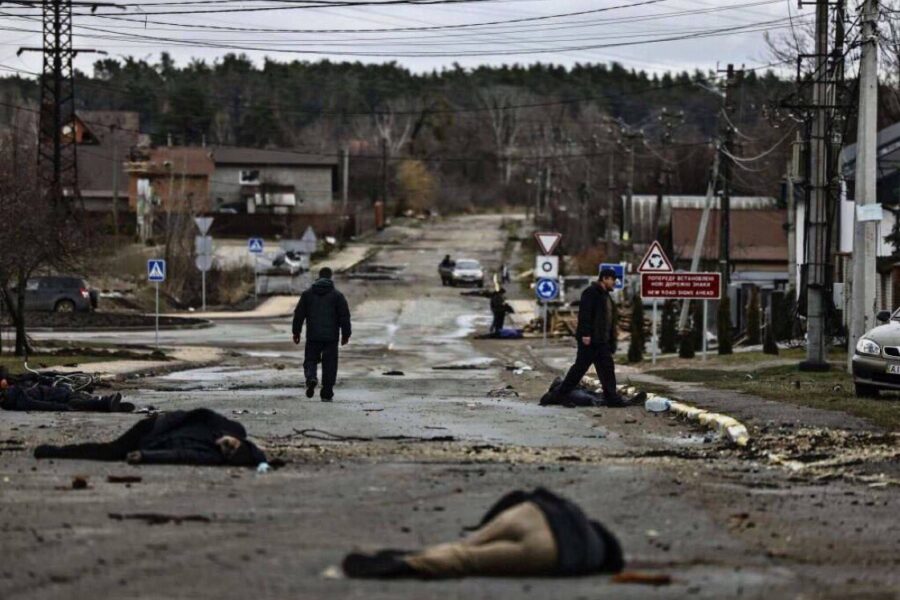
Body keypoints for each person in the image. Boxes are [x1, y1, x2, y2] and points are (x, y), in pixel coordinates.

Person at [342, 487, 624, 578]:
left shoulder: (577, 514)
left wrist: (484, 524)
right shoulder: (592, 557)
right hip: (550, 550)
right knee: (469, 560)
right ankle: (410, 563)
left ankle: (438, 549)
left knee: (469, 544)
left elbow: (521, 495)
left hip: (532, 513)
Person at [33, 408, 267, 467]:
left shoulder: (213, 456)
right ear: (238, 440)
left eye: (228, 453)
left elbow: (180, 456)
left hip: (152, 442)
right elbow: (198, 413)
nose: (224, 447)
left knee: (110, 453)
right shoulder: (230, 427)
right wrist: (161, 424)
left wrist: (146, 456)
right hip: (154, 428)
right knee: (111, 452)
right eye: (232, 446)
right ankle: (54, 451)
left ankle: (54, 452)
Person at [552, 268, 624, 406]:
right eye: (613, 280)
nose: (614, 283)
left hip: (601, 341)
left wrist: (611, 339)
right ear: (604, 278)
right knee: (579, 369)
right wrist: (586, 334)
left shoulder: (605, 296)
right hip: (590, 340)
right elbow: (585, 314)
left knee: (607, 369)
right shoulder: (591, 293)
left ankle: (612, 398)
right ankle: (561, 395)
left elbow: (608, 320)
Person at [292, 267, 352, 402]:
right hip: (331, 338)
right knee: (330, 364)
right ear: (331, 277)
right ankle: (327, 391)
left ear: (318, 277)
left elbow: (299, 315)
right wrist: (346, 334)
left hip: (313, 336)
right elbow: (344, 317)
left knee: (310, 360)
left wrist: (296, 332)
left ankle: (311, 378)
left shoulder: (307, 294)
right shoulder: (337, 296)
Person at [0, 378, 133, 412]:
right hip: (58, 398)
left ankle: (107, 404)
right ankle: (106, 403)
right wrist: (60, 407)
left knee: (78, 399)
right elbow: (38, 405)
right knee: (76, 403)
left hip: (58, 392)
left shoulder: (14, 392)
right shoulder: (15, 399)